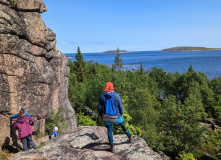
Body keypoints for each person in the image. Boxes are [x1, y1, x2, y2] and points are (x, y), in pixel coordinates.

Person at [99, 82, 137, 153]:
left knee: (109, 130)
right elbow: (120, 106)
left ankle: (112, 146)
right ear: (112, 87)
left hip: (107, 117)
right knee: (123, 125)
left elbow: (100, 107)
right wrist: (121, 114)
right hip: (117, 116)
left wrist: (100, 115)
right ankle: (130, 137)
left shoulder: (103, 96)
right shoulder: (116, 95)